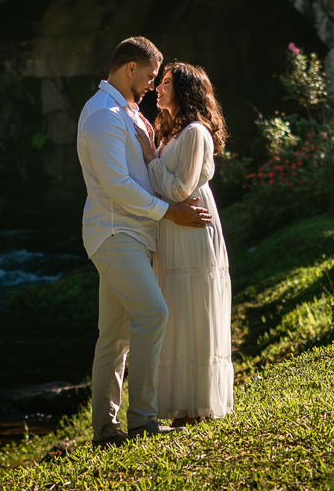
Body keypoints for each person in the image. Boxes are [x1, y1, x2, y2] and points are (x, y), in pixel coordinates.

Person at [76, 36, 212, 447]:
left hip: (134, 234)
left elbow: (142, 169)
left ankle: (105, 429)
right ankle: (143, 420)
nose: (155, 85)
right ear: (129, 68)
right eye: (151, 76)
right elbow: (116, 185)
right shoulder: (102, 114)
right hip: (114, 232)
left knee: (113, 336)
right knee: (153, 314)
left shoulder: (128, 111)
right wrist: (171, 212)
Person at [134, 62, 233, 426]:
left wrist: (149, 156)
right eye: (158, 82)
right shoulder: (172, 134)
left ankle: (197, 406)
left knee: (193, 307)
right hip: (173, 230)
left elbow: (179, 189)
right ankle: (181, 406)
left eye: (166, 82)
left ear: (186, 89)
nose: (158, 87)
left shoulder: (194, 133)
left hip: (192, 230)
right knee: (176, 310)